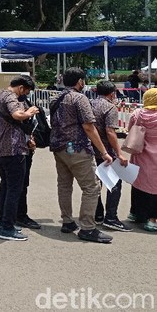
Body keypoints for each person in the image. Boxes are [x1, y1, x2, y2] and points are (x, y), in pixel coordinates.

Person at [50, 67, 114, 244]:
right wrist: (104, 152)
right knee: (91, 187)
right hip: (77, 148)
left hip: (58, 147)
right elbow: (88, 127)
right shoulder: (80, 98)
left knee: (64, 185)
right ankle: (88, 227)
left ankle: (68, 221)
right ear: (80, 81)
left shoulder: (55, 98)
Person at [0, 75, 39, 241]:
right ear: (20, 88)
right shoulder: (11, 97)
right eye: (26, 91)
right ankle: (6, 227)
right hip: (13, 149)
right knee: (14, 189)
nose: (25, 94)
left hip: (0, 149)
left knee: (6, 186)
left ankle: (3, 221)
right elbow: (17, 114)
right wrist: (29, 112)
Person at [90, 81, 131, 231]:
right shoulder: (110, 107)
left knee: (96, 183)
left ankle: (98, 213)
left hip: (91, 149)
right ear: (112, 93)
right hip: (107, 151)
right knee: (114, 184)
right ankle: (111, 217)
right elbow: (110, 132)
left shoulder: (90, 104)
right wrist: (119, 153)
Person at [127, 88, 157, 231]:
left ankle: (136, 213)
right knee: (154, 187)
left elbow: (130, 130)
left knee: (139, 183)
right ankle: (152, 220)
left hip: (140, 154)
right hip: (155, 158)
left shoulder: (137, 114)